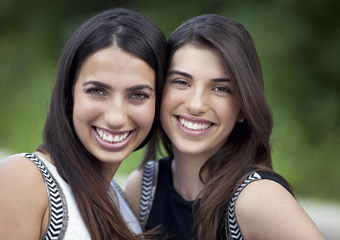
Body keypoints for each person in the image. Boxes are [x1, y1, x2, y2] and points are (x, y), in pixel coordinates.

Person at [125, 14, 325, 240]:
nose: (196, 105)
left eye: (220, 88)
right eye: (182, 82)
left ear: (242, 108)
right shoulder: (145, 188)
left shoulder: (256, 198)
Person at [0, 8, 166, 240]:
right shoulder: (24, 180)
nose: (116, 118)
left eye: (138, 95)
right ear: (69, 97)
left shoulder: (122, 203)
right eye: (97, 91)